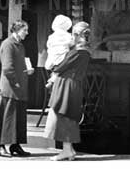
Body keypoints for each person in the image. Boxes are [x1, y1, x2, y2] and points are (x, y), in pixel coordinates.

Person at [44, 21, 91, 161]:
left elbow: (60, 66)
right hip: (73, 84)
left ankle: (67, 150)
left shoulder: (77, 51)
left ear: (77, 34)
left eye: (73, 34)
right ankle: (68, 149)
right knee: (68, 116)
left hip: (67, 85)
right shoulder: (84, 50)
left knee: (64, 115)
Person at [0, 20, 34, 157]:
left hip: (20, 86)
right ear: (16, 30)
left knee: (19, 117)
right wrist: (15, 82)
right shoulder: (8, 44)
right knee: (7, 117)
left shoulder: (20, 46)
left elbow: (18, 64)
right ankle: (0, 145)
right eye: (24, 30)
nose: (27, 33)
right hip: (11, 87)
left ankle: (15, 145)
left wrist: (27, 71)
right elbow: (7, 67)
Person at [44, 14, 74, 89]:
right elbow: (71, 44)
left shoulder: (51, 37)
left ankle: (52, 81)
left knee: (56, 69)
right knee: (60, 68)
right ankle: (52, 81)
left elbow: (49, 45)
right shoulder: (68, 36)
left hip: (53, 57)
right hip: (63, 58)